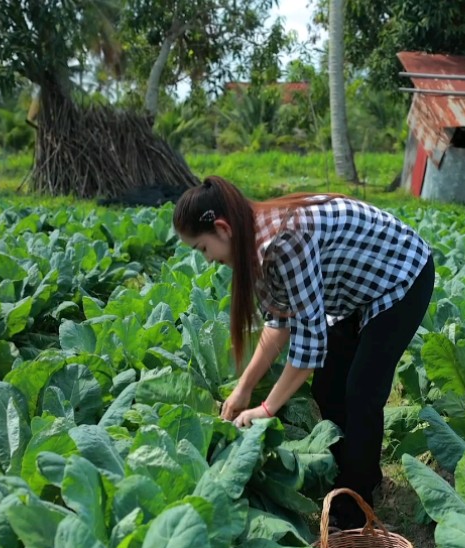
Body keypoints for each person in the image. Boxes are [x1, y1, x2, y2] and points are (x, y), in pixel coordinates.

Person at [173, 176, 435, 529]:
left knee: (361, 393)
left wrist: (266, 408)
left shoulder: (280, 242)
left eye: (202, 249)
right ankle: (357, 476)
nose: (206, 260)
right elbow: (278, 324)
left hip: (401, 277)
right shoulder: (254, 242)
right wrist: (243, 389)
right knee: (328, 386)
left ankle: (354, 514)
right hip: (353, 290)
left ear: (222, 228)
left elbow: (309, 347)